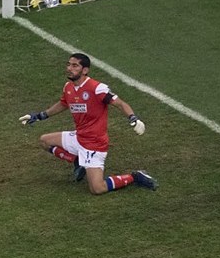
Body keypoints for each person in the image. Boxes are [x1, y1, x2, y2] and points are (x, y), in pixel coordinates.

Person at [19, 52, 158, 194]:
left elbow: (120, 104)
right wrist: (39, 116)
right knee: (44, 141)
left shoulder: (97, 88)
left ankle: (135, 177)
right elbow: (63, 103)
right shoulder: (68, 87)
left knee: (97, 188)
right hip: (79, 137)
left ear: (85, 70)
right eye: (69, 64)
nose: (69, 68)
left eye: (75, 66)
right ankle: (77, 161)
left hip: (94, 144)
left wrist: (133, 118)